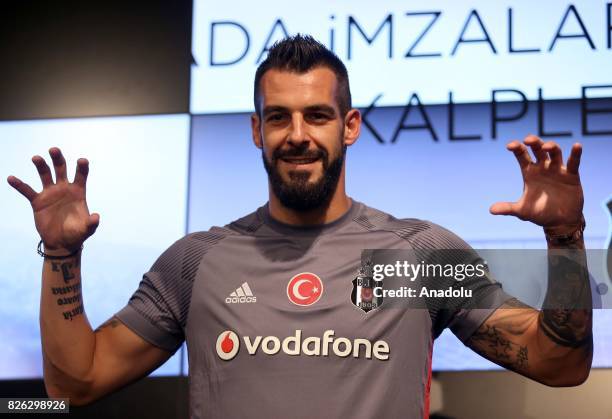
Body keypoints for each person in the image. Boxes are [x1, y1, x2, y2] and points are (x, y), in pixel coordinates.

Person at [7, 35, 592, 418]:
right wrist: (61, 255)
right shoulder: (197, 262)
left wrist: (565, 241)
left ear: (350, 126)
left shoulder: (415, 256)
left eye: (318, 115)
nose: (298, 135)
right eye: (278, 117)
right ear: (257, 130)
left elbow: (559, 363)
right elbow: (73, 383)